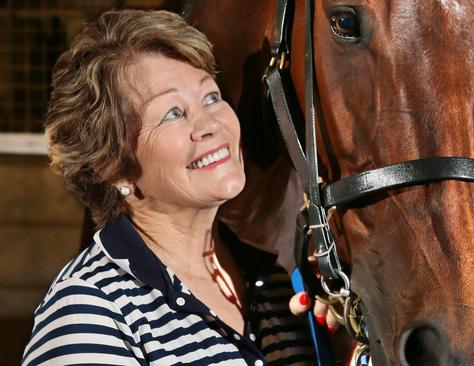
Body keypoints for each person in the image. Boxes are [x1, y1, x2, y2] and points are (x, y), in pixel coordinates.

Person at [21, 9, 337, 366]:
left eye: (211, 97)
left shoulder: (275, 283)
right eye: (173, 112)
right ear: (112, 167)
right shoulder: (89, 311)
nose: (210, 123)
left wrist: (345, 347)